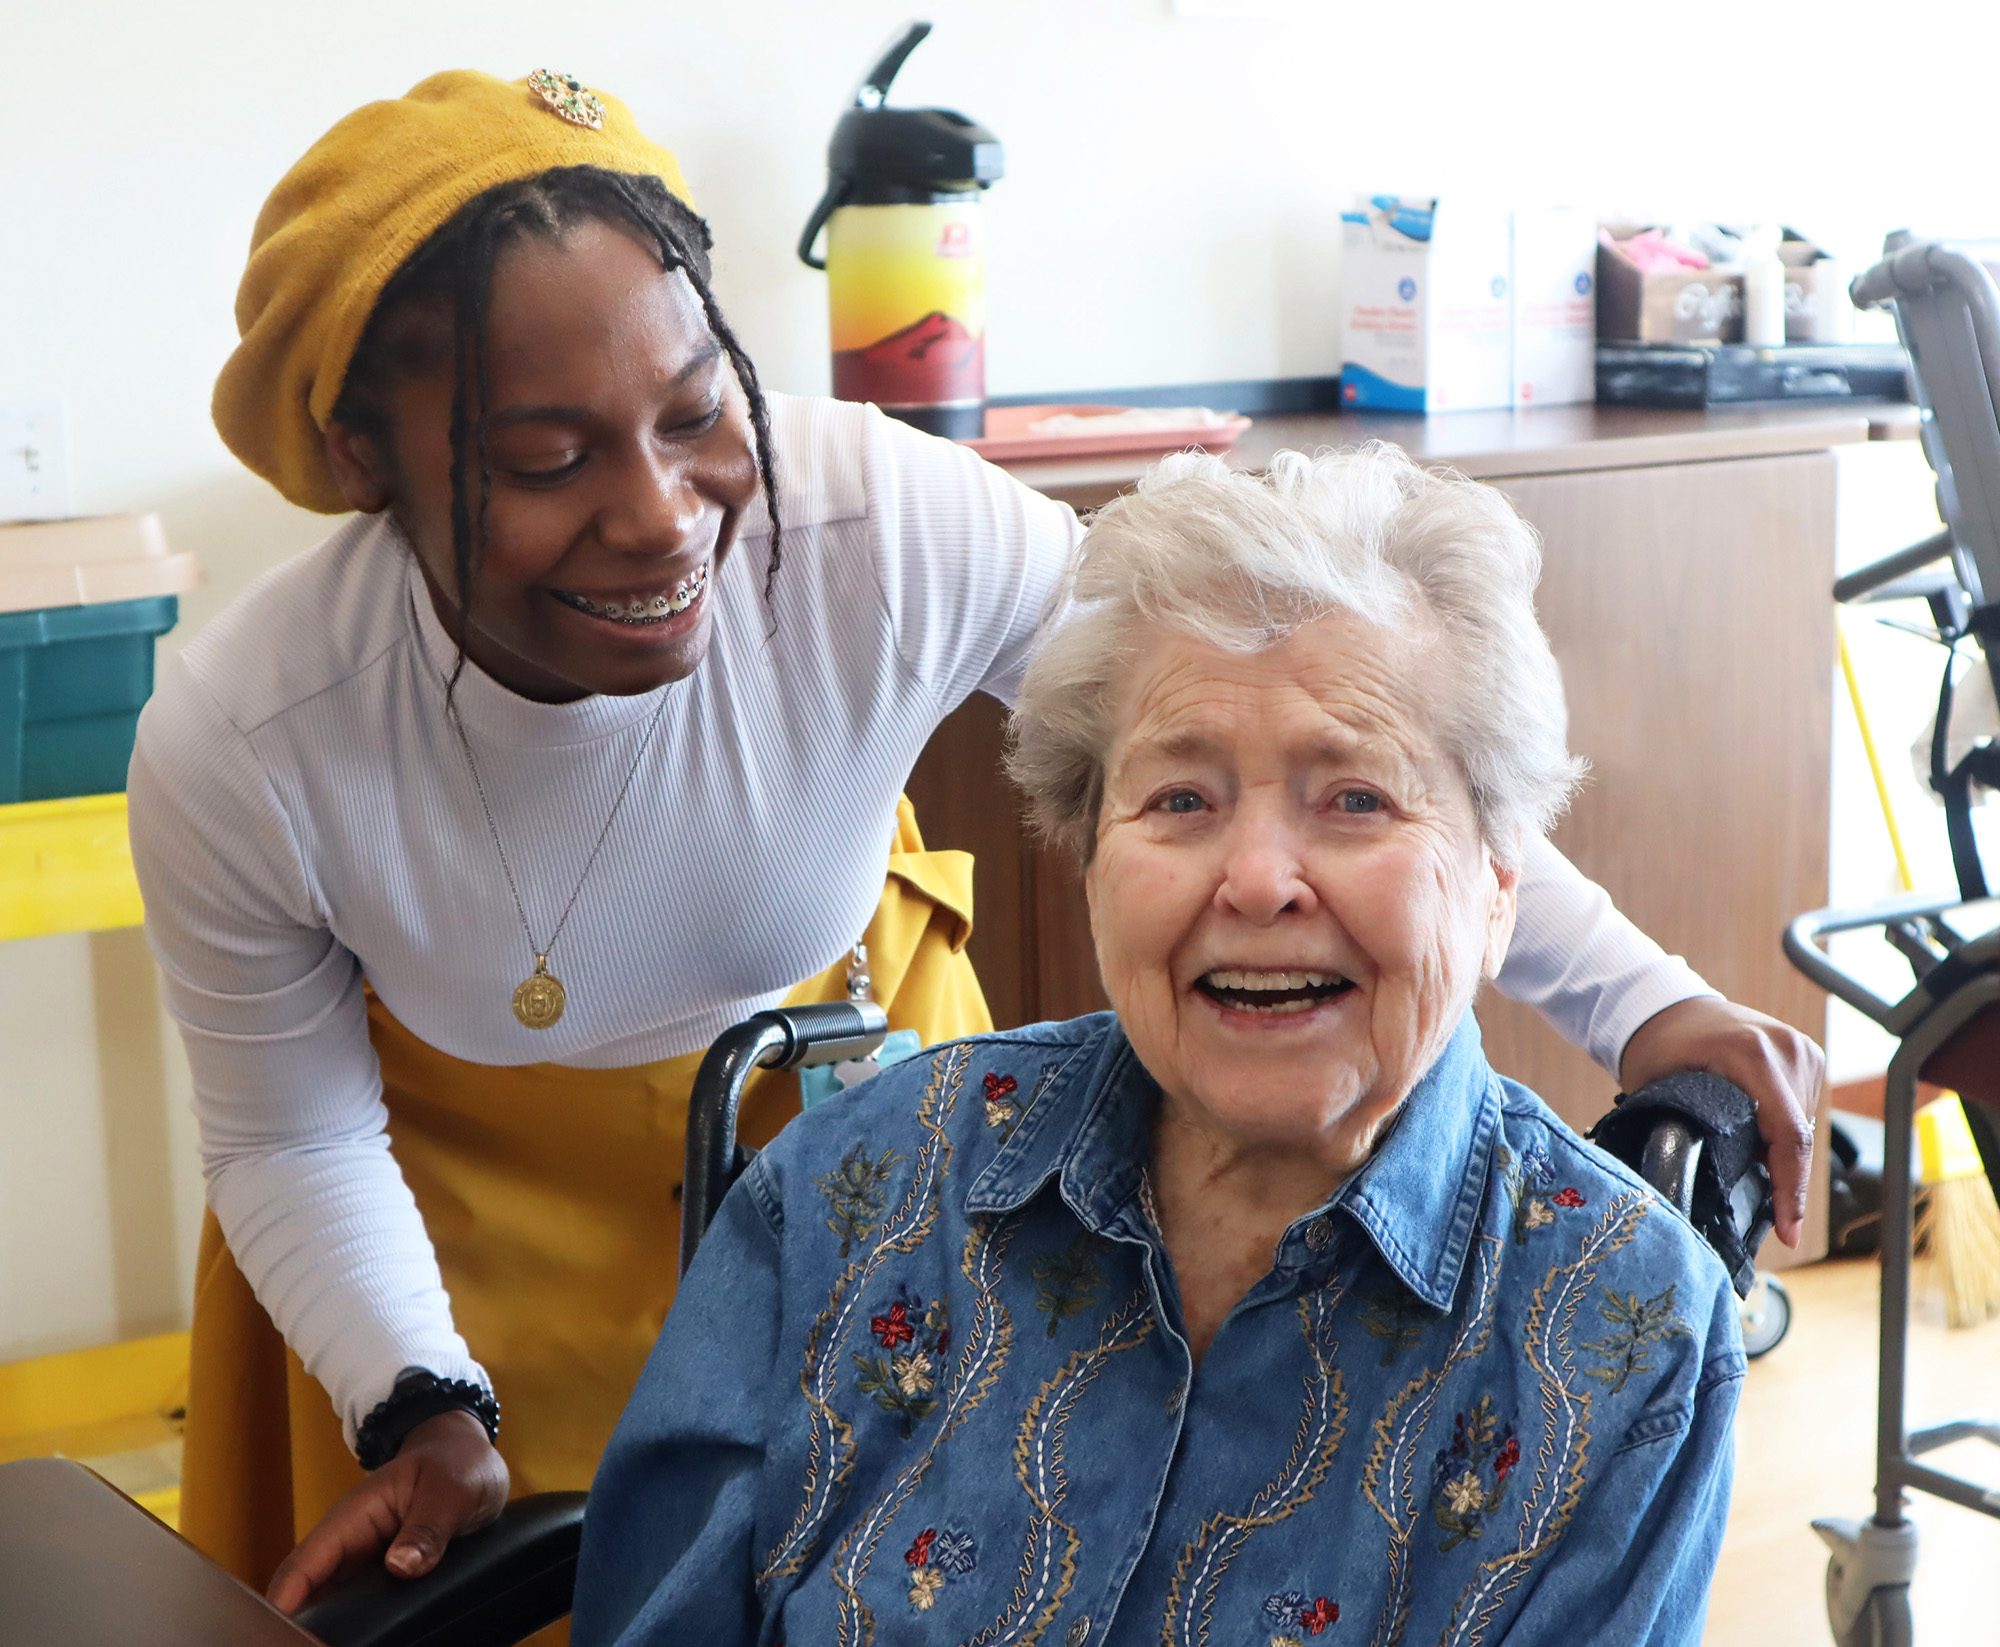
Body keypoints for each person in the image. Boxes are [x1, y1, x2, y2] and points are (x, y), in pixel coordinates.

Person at [130, 68, 1815, 1615]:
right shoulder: (251, 735)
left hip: (833, 1101)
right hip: (450, 1225)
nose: (658, 514)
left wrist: (1647, 1003)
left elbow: (1335, 713)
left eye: (701, 411)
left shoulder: (871, 531)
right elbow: (288, 1133)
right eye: (549, 458)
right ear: (364, 462)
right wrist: (419, 1399)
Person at [574, 446, 1745, 1647]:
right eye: (1180, 801)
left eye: (1354, 798)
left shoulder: (1624, 1331)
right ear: (1088, 861)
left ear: (1499, 887)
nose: (1253, 880)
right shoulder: (853, 1188)